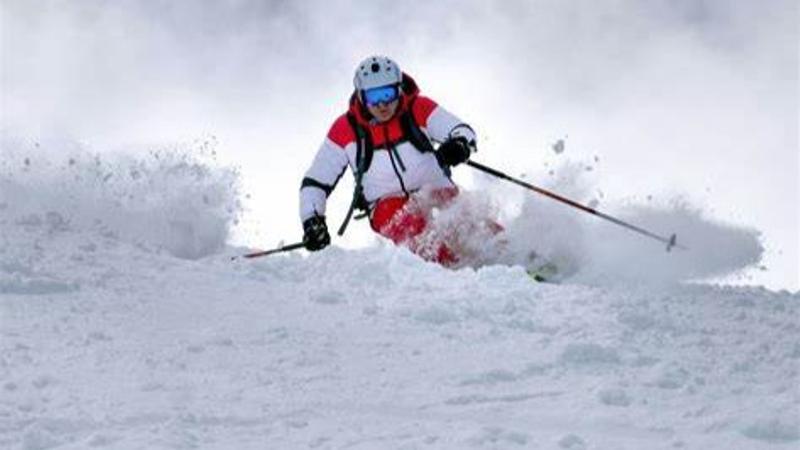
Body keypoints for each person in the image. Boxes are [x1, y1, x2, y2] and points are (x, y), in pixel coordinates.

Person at [299, 55, 488, 266]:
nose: (382, 104)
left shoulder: (418, 108)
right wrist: (312, 220)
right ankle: (456, 273)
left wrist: (459, 144)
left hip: (434, 191)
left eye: (387, 93)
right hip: (386, 204)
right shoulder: (345, 129)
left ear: (399, 89)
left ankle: (516, 258)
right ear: (361, 96)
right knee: (413, 229)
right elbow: (315, 180)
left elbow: (462, 130)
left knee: (471, 224)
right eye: (373, 96)